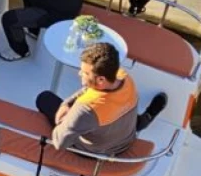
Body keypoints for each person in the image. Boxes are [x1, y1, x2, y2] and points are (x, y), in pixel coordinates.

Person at [35, 43, 167, 154]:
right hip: (127, 137)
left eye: (85, 73)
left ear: (101, 80)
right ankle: (146, 118)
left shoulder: (85, 109)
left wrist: (63, 121)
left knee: (45, 98)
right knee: (124, 115)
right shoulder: (125, 78)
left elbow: (60, 142)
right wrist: (67, 103)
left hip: (98, 151)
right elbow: (89, 89)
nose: (79, 73)